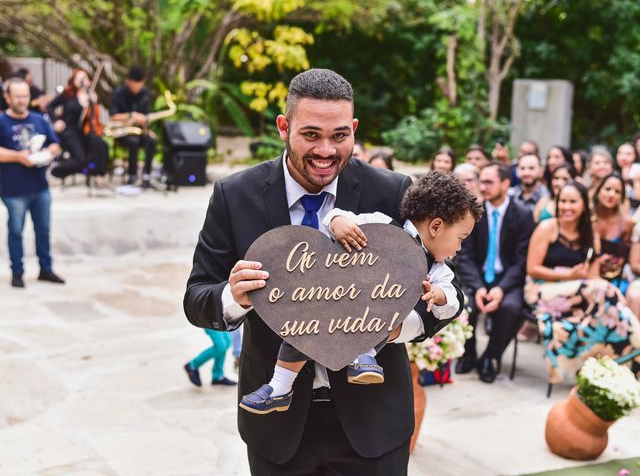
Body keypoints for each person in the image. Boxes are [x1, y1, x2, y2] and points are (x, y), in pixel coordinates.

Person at [183, 69, 457, 475]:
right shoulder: (234, 196)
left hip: (374, 424)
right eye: (311, 135)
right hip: (278, 431)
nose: (326, 150)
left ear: (354, 129)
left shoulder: (393, 191)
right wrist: (232, 296)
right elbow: (196, 297)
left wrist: (401, 327)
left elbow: (449, 284)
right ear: (284, 126)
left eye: (340, 136)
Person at [238, 171, 480, 414]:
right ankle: (279, 387)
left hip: (373, 319)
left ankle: (364, 356)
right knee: (301, 327)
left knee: (387, 308)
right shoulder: (381, 225)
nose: (459, 248)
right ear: (436, 226)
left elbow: (450, 298)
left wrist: (438, 294)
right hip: (332, 304)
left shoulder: (437, 269)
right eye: (460, 238)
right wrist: (337, 221)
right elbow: (339, 217)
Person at [526, 181, 640, 383]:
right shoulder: (548, 227)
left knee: (607, 304)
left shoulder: (590, 233)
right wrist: (569, 275)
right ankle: (636, 345)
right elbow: (532, 268)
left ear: (583, 206)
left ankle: (620, 360)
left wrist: (605, 288)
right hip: (544, 289)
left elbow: (593, 276)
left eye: (572, 202)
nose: (566, 206)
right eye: (563, 201)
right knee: (605, 291)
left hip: (580, 293)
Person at [455, 162, 534, 383]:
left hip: (507, 278)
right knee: (465, 303)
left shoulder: (523, 214)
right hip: (477, 277)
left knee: (511, 307)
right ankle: (468, 353)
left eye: (489, 182)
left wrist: (501, 289)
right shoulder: (473, 213)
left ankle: (490, 356)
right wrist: (479, 287)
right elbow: (465, 255)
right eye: (482, 181)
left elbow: (522, 260)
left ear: (506, 183)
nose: (483, 186)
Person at [0, 78, 64, 288]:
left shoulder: (39, 119)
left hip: (40, 186)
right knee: (16, 231)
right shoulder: (2, 121)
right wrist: (18, 156)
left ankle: (46, 269)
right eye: (17, 96)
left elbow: (55, 144)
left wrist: (47, 152)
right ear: (7, 97)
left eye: (25, 96)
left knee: (43, 230)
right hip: (13, 189)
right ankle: (17, 272)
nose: (22, 100)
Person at [47, 69, 109, 184]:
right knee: (80, 160)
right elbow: (50, 106)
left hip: (83, 132)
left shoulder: (91, 96)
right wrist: (56, 121)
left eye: (84, 78)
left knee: (101, 145)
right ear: (73, 80)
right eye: (78, 78)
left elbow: (93, 118)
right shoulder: (67, 95)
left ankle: (99, 175)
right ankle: (56, 170)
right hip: (69, 132)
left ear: (89, 81)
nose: (81, 81)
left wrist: (92, 102)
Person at [109, 65, 157, 188]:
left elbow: (146, 116)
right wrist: (131, 115)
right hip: (123, 132)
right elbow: (113, 116)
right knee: (133, 142)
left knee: (151, 140)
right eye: (135, 84)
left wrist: (147, 129)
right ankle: (132, 175)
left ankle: (146, 174)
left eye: (139, 84)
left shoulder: (145, 93)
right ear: (128, 82)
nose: (137, 87)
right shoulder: (119, 93)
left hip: (139, 131)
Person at [592, 173, 634, 294]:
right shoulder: (587, 218)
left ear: (621, 197)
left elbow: (627, 256)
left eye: (617, 191)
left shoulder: (627, 223)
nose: (611, 194)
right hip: (586, 277)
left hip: (615, 280)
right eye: (608, 189)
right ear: (599, 190)